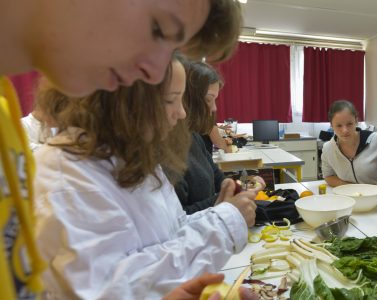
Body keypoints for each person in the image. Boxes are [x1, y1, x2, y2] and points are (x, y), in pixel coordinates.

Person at [1, 1, 242, 298]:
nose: (154, 72)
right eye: (157, 28)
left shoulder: (6, 119)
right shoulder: (57, 169)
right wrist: (224, 222)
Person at [33, 56, 258, 298]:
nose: (182, 113)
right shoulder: (66, 178)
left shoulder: (131, 157)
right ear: (122, 103)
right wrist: (224, 223)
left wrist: (222, 211)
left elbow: (170, 232)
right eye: (171, 100)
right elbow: (110, 289)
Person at [175, 60, 264, 214]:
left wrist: (242, 187)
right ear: (187, 98)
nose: (214, 107)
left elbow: (218, 178)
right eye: (209, 99)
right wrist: (227, 200)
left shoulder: (194, 137)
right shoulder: (167, 153)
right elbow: (179, 217)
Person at [321, 100, 377, 203]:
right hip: (349, 201)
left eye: (349, 124)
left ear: (356, 120)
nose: (345, 130)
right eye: (339, 125)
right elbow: (328, 176)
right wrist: (352, 189)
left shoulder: (376, 141)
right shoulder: (328, 148)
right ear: (331, 125)